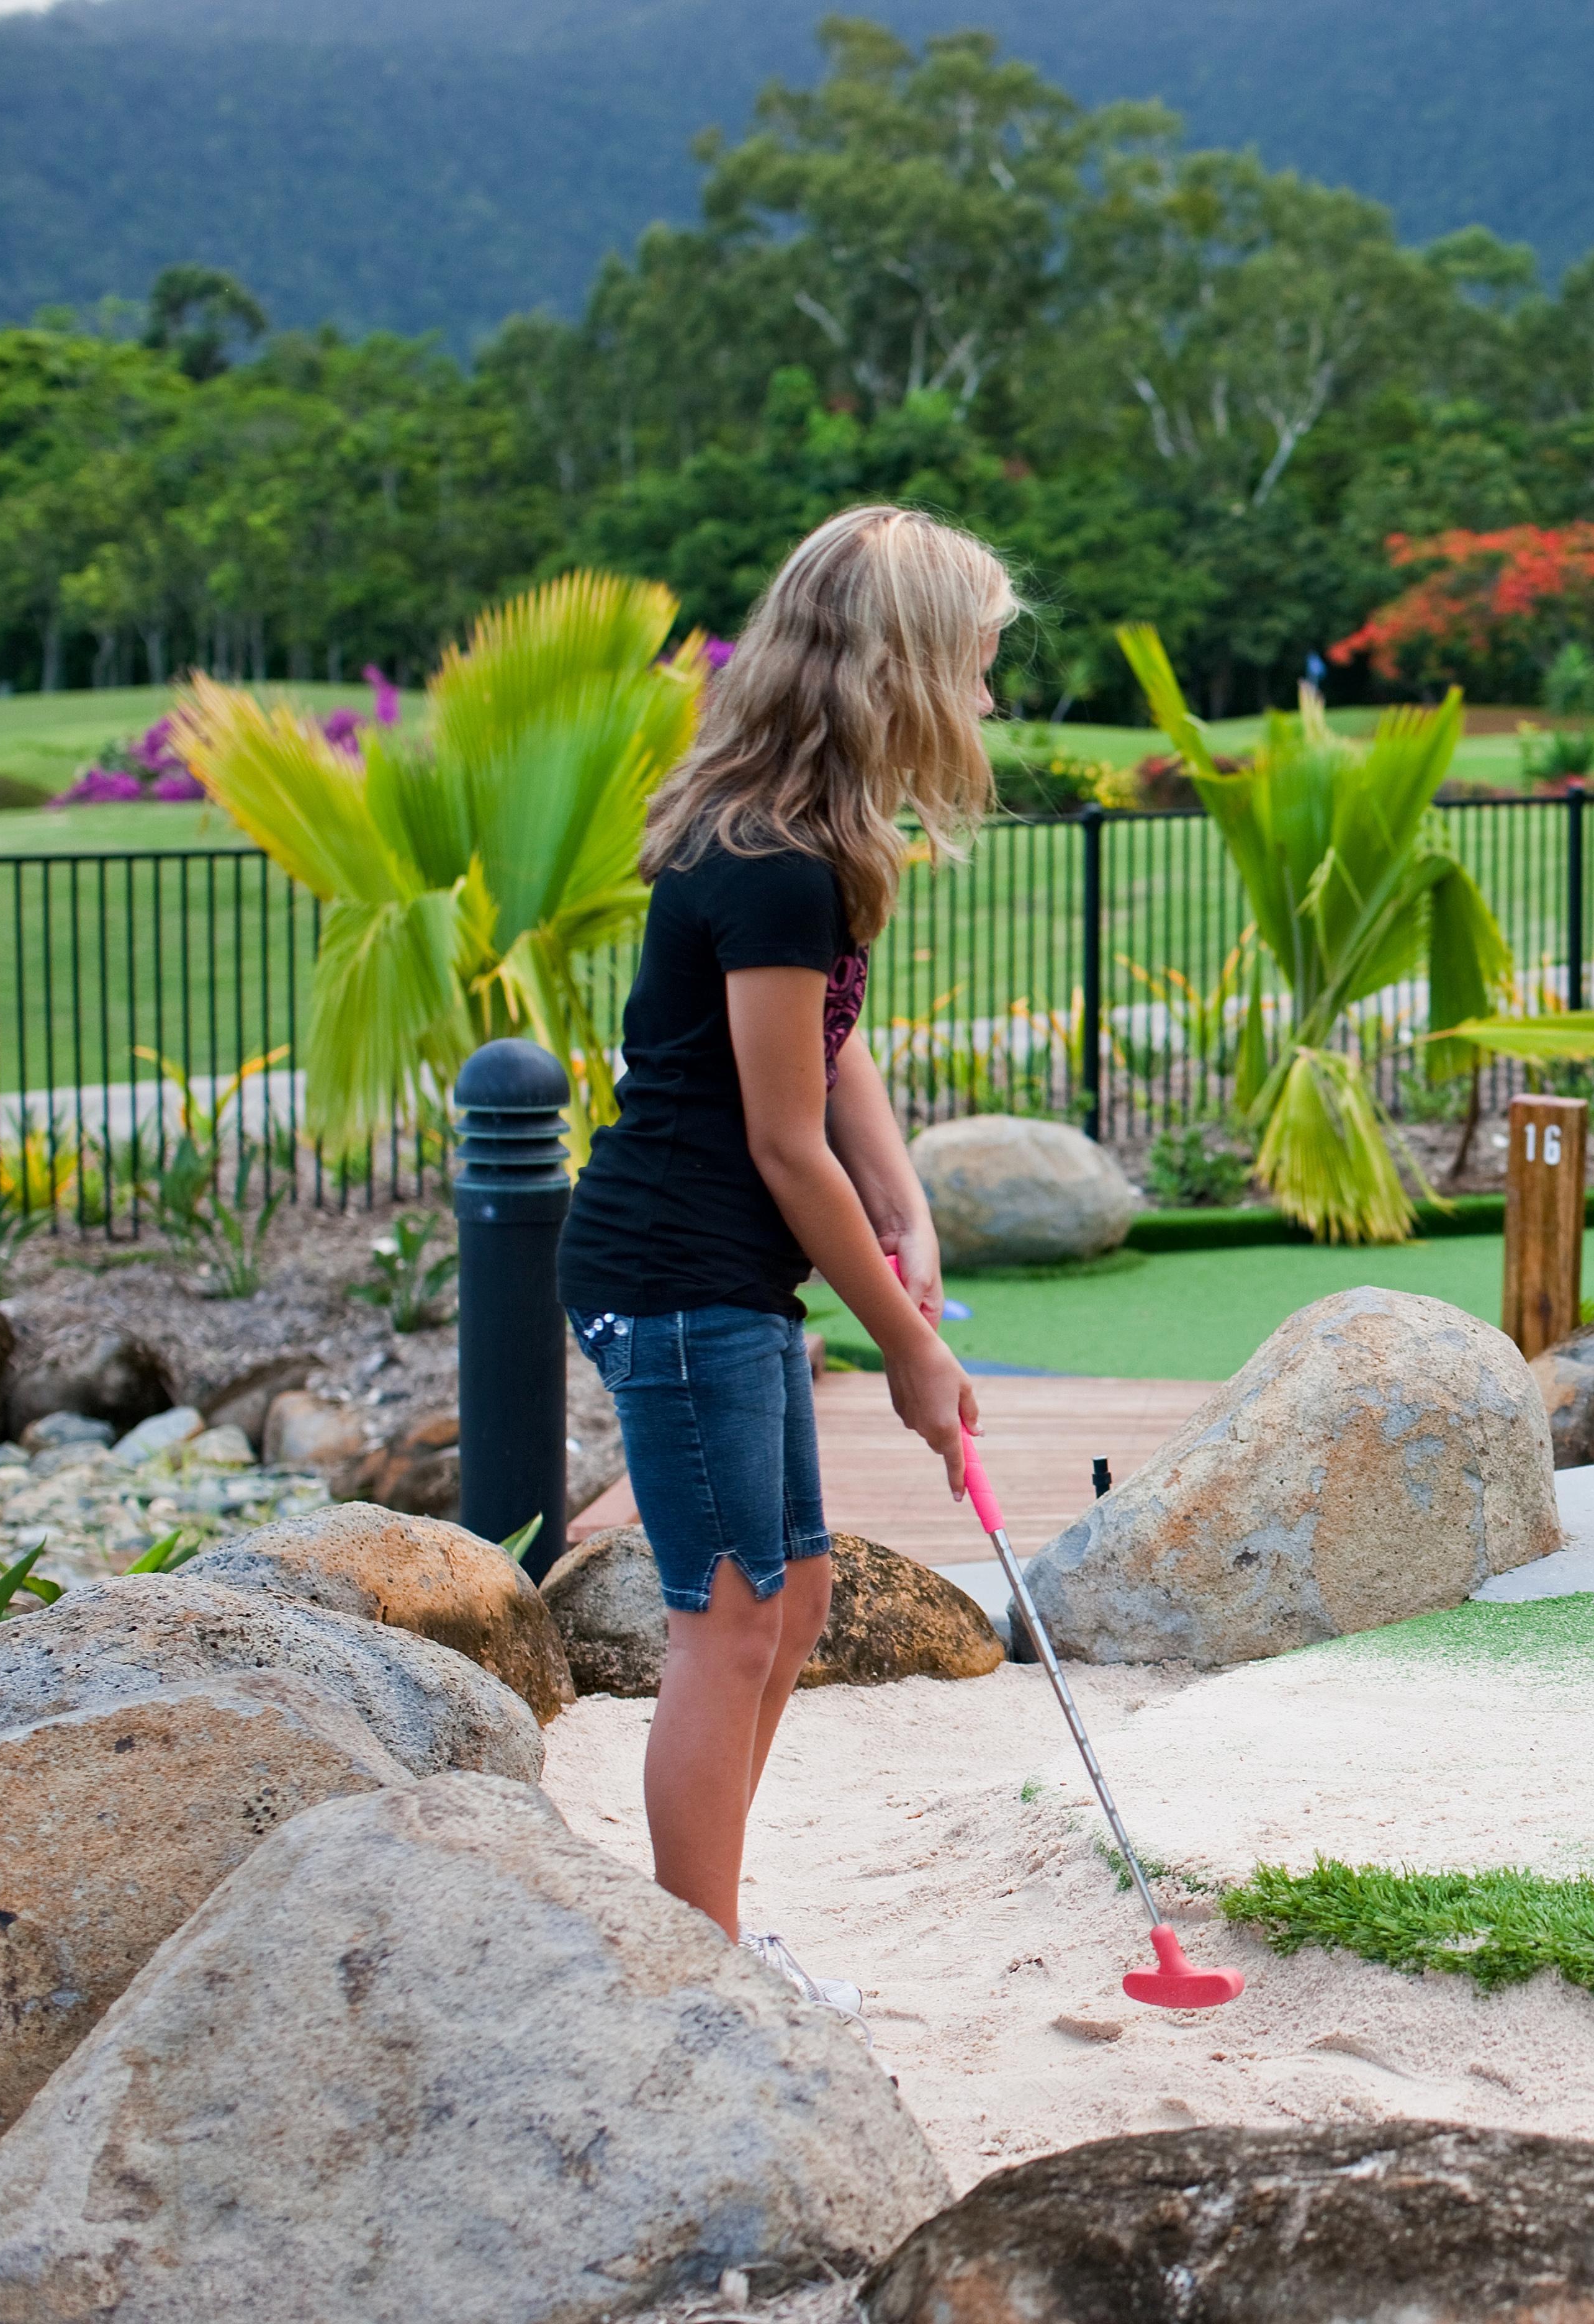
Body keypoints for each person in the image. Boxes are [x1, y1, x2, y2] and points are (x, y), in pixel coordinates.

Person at [556, 504, 1006, 2015]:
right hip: (678, 1271)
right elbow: (778, 1142)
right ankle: (702, 1971)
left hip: (720, 1276)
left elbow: (825, 1047)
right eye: (978, 668)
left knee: (793, 1600)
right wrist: (912, 1348)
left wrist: (909, 1199)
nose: (990, 702)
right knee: (732, 1614)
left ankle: (713, 1934)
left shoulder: (798, 834)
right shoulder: (772, 860)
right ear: (908, 671)